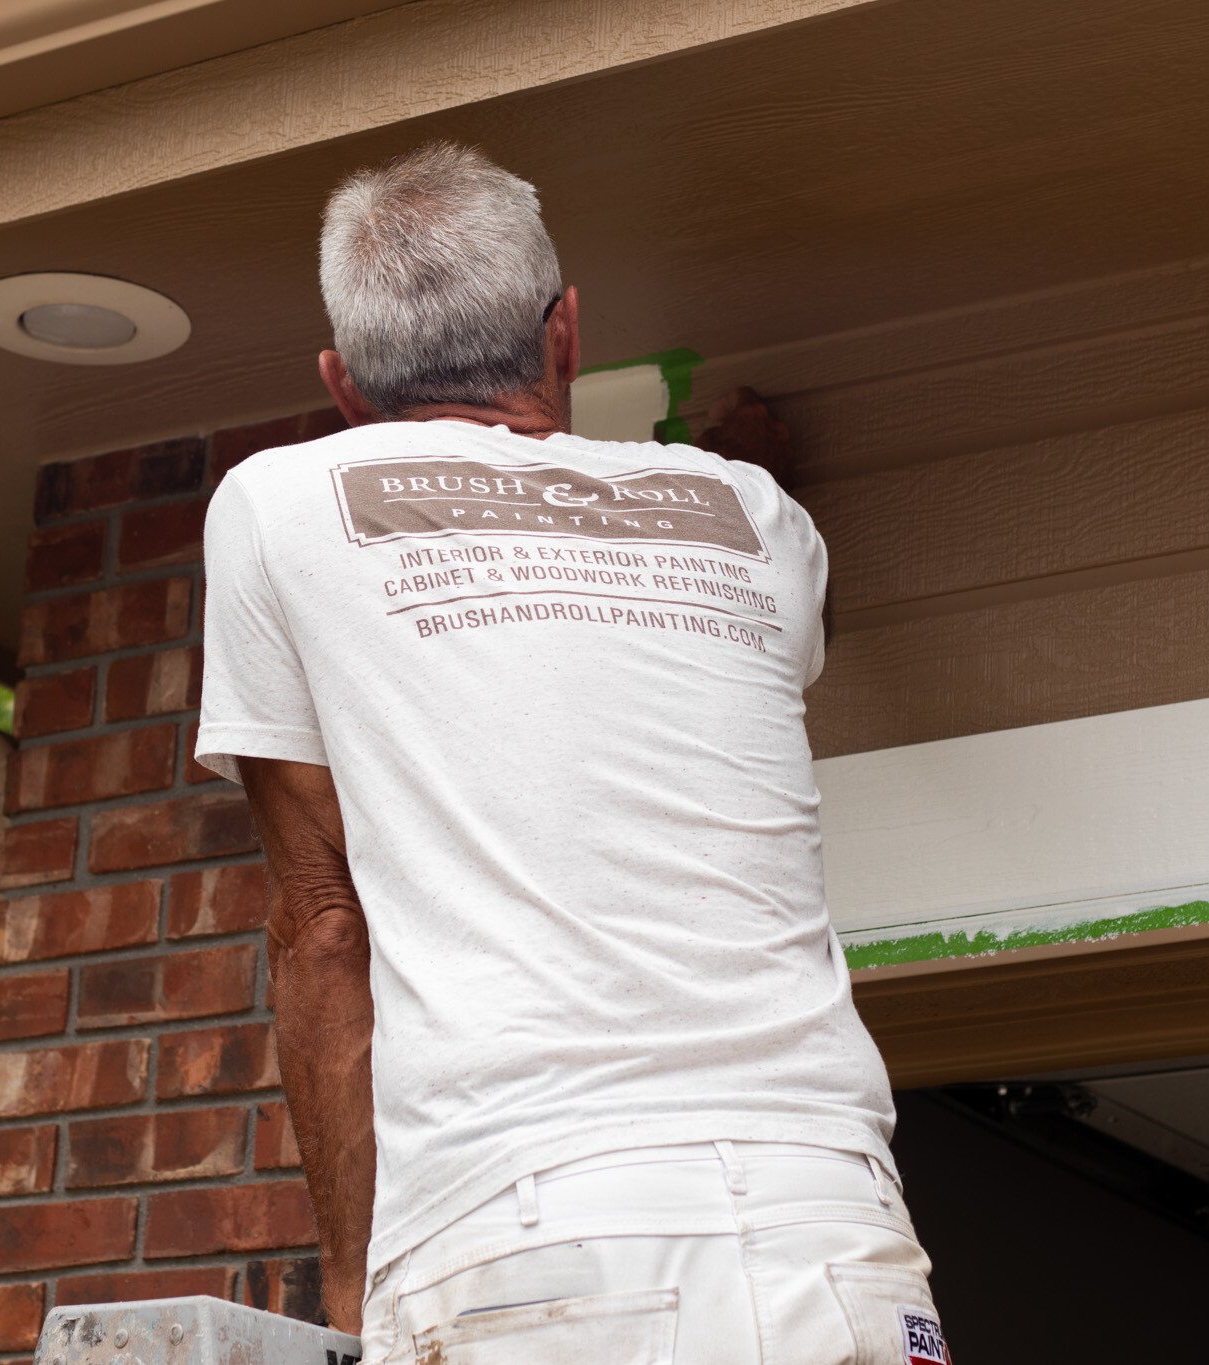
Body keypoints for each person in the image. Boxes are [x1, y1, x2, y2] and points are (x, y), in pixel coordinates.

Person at [194, 141, 944, 1365]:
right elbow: (753, 627)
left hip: (524, 1237)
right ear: (566, 333)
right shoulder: (750, 513)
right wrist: (736, 463)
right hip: (830, 1221)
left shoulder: (279, 505)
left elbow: (323, 925)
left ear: (340, 385)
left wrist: (351, 1286)